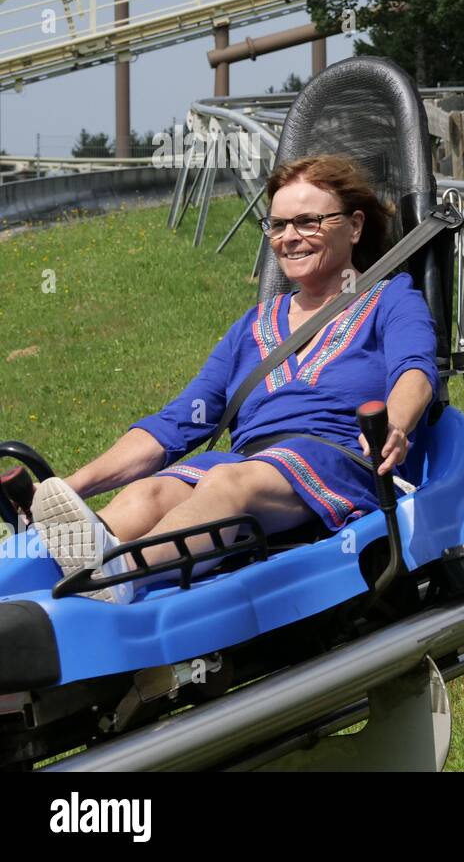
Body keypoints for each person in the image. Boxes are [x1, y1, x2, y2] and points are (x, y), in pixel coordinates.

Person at [28, 154, 437, 604]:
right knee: (151, 491)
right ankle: (60, 578)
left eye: (308, 222)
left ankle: (118, 577)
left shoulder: (390, 298)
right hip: (247, 463)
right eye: (278, 225)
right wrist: (70, 486)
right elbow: (179, 421)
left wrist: (396, 423)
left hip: (337, 461)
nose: (289, 238)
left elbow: (414, 370)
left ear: (354, 227)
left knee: (225, 484)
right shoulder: (254, 324)